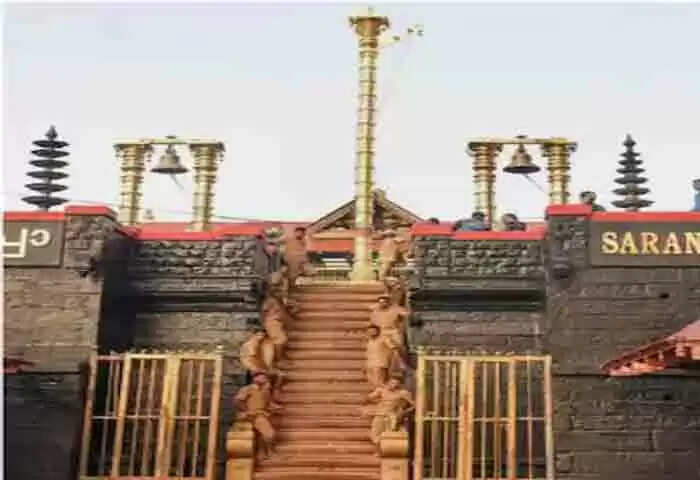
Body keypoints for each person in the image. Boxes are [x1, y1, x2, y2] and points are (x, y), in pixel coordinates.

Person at [234, 372, 282, 459]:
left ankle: (263, 454)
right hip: (254, 415)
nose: (265, 379)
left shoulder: (265, 391)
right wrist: (247, 411)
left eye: (265, 378)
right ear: (255, 378)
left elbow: (267, 403)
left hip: (263, 414)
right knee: (270, 434)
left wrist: (276, 407)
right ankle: (271, 452)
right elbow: (238, 401)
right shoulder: (247, 389)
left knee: (261, 435)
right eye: (262, 377)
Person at [365, 373, 415, 449]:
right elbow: (368, 398)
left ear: (399, 385)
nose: (393, 385)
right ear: (388, 382)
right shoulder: (381, 390)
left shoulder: (403, 393)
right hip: (380, 414)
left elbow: (414, 405)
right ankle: (379, 449)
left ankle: (386, 450)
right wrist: (377, 400)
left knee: (389, 434)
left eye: (395, 383)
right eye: (391, 383)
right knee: (374, 434)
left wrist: (404, 412)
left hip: (392, 416)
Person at [369, 294, 409, 370]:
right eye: (380, 302)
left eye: (384, 302)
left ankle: (403, 363)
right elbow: (372, 322)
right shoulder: (375, 311)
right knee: (387, 348)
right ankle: (394, 364)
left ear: (388, 302)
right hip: (381, 332)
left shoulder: (395, 309)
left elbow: (406, 313)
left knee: (400, 346)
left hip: (393, 330)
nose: (382, 304)